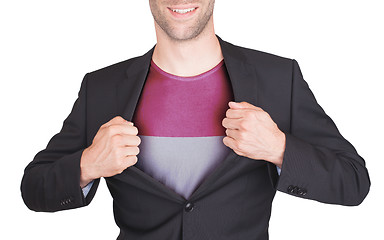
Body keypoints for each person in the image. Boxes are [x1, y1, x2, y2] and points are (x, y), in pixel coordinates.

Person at [21, 0, 370, 239]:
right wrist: (87, 165)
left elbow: (353, 181)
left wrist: (280, 148)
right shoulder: (102, 87)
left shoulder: (279, 78)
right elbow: (34, 188)